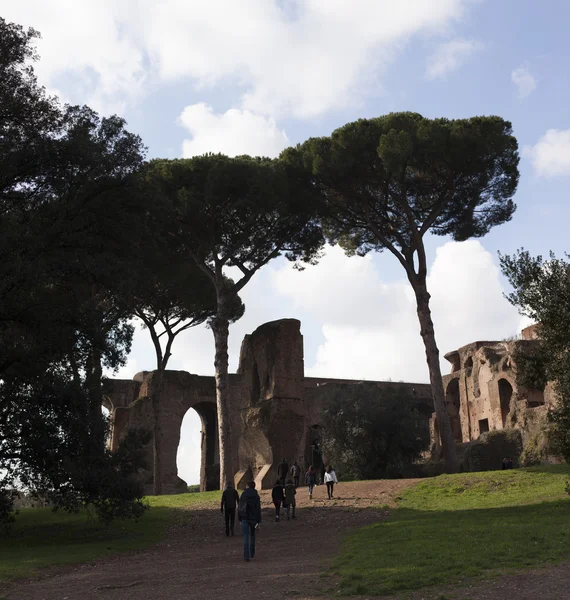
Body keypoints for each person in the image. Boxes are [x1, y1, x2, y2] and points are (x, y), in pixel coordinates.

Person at [238, 481, 262, 562]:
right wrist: (258, 521)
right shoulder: (256, 496)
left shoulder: (243, 495)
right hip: (253, 518)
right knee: (252, 535)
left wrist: (240, 518)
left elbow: (240, 507)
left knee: (245, 536)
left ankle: (246, 556)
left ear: (247, 486)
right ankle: (252, 553)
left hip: (244, 517)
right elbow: (258, 509)